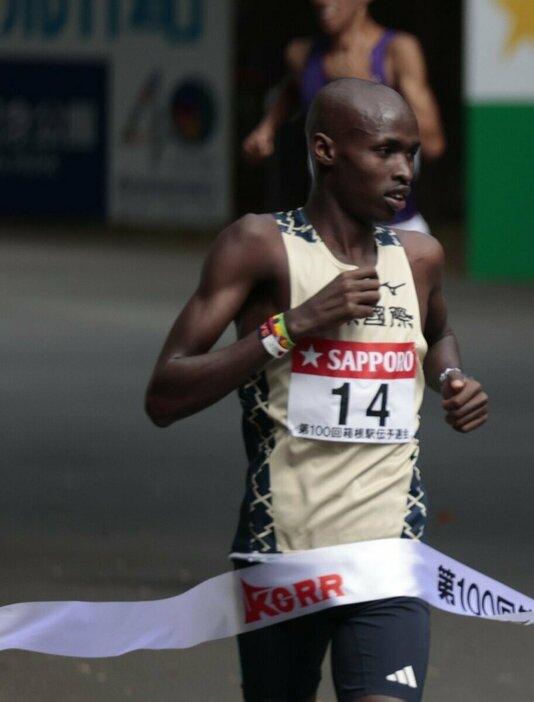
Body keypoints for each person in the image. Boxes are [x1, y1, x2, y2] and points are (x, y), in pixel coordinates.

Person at [146, 78, 487, 702]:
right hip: (283, 560)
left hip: (388, 559)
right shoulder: (259, 247)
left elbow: (438, 335)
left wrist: (450, 379)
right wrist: (290, 328)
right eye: (384, 151)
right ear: (326, 150)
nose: (403, 170)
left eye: (409, 153)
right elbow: (164, 394)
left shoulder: (418, 258)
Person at [242, 0, 445, 233]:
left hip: (397, 230)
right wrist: (266, 129)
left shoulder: (396, 51)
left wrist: (364, 89)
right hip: (325, 232)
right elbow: (293, 91)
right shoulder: (301, 55)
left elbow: (434, 144)